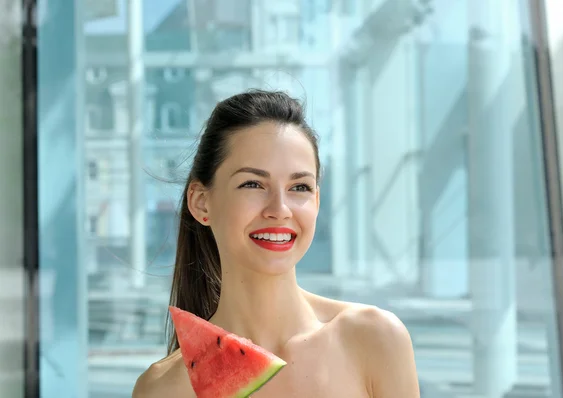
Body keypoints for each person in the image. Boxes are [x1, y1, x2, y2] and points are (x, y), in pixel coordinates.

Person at [132, 90, 420, 397]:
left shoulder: (376, 339)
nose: (280, 209)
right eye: (253, 184)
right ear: (202, 203)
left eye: (299, 187)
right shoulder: (162, 388)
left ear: (317, 201)